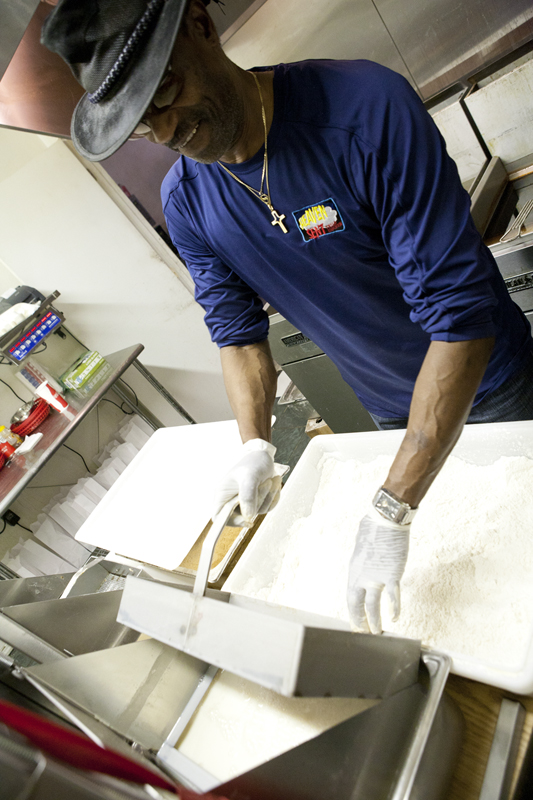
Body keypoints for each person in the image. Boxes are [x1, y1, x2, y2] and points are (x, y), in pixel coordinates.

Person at [42, 0, 533, 635]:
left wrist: (391, 506)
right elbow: (237, 333)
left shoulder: (363, 108)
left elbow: (459, 314)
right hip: (390, 413)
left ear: (200, 25)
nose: (164, 133)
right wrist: (253, 442)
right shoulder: (187, 203)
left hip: (495, 389)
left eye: (165, 92)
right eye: (139, 126)